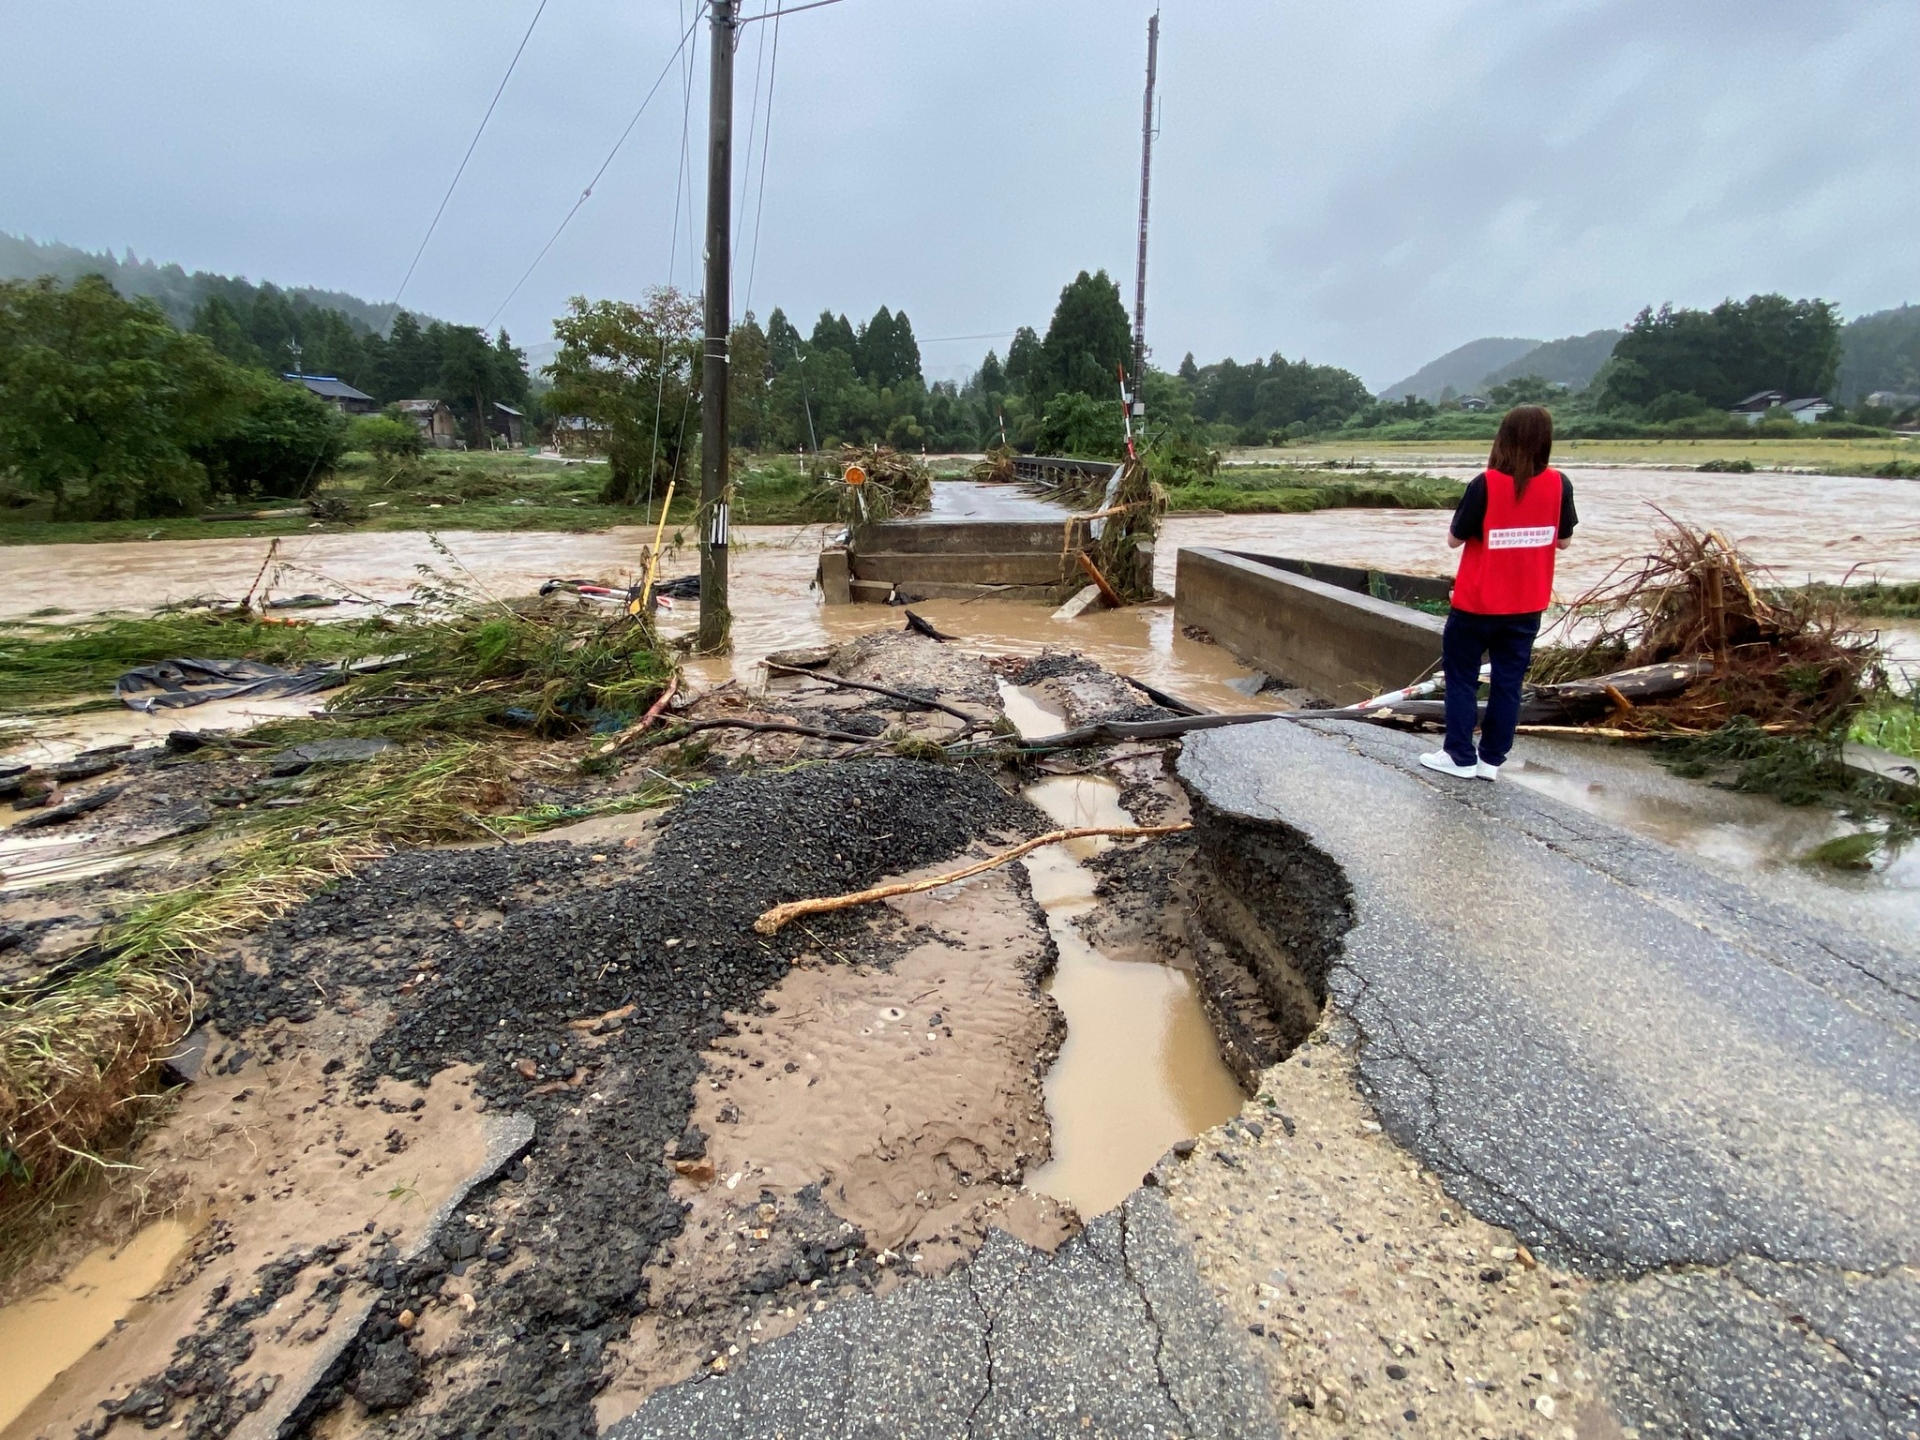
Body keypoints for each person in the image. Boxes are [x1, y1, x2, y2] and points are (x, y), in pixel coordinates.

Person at [1420, 405, 1577, 782]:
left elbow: (1454, 540)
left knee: (1462, 678)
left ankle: (1459, 756)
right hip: (1527, 606)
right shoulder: (1560, 484)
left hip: (1476, 604)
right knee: (1509, 683)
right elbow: (1565, 542)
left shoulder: (1485, 484)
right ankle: (1491, 761)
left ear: (1503, 438)